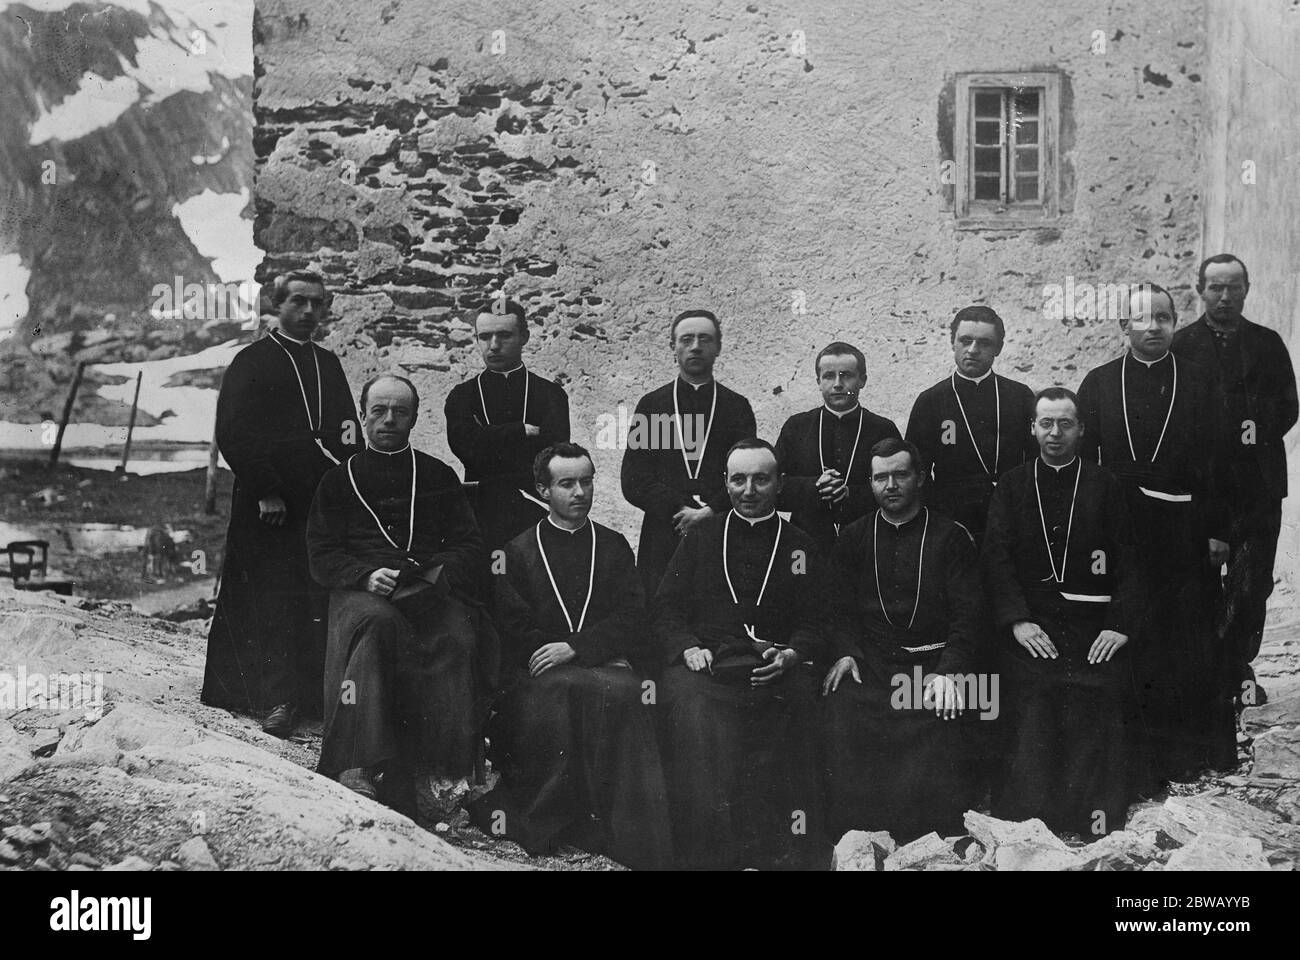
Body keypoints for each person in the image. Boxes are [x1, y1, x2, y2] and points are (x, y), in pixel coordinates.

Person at [471, 442, 672, 869]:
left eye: (586, 481)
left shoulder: (614, 545)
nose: (579, 492)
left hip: (594, 664)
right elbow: (515, 627)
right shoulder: (514, 552)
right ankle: (560, 819)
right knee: (569, 687)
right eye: (567, 484)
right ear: (543, 490)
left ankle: (629, 836)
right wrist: (572, 655)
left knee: (632, 691)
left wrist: (578, 648)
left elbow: (634, 615)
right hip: (540, 674)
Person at [307, 375, 488, 818]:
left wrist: (433, 576)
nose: (389, 420)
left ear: (413, 418)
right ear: (363, 415)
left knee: (456, 636)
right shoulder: (337, 479)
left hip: (425, 589)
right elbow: (321, 552)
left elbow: (469, 545)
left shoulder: (437, 476)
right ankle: (357, 762)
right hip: (359, 593)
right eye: (379, 411)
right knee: (378, 623)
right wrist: (365, 575)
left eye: (400, 412)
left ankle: (441, 771)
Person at [1077, 283, 1235, 786]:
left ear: (1174, 323)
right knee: (1130, 630)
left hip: (1184, 526)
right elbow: (1085, 464)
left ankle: (1187, 755)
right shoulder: (1099, 383)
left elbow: (1219, 463)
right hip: (1121, 528)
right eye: (1142, 320)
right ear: (1124, 326)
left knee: (1184, 635)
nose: (1154, 328)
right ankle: (1135, 757)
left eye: (1164, 318)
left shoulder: (1201, 380)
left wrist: (1217, 531)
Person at [654, 438, 828, 869]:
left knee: (800, 705)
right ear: (725, 483)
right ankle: (708, 854)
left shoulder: (799, 546)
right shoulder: (700, 539)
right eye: (738, 480)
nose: (748, 491)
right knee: (692, 710)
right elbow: (666, 610)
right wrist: (686, 647)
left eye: (760, 480)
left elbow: (817, 618)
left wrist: (793, 653)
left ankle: (786, 850)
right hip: (708, 666)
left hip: (774, 666)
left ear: (780, 484)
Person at [202, 270, 360, 737]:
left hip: (315, 494)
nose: (309, 312)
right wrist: (267, 488)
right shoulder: (251, 361)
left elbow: (346, 427)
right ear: (277, 305)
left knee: (309, 593)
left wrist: (351, 472)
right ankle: (271, 696)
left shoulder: (327, 364)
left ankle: (308, 695)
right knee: (269, 594)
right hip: (266, 502)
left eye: (317, 304)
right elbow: (234, 432)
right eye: (299, 302)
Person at [981, 388, 1144, 835]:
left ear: (1081, 430)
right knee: (1034, 695)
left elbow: (1130, 561)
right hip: (1032, 625)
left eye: (1065, 424)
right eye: (1046, 424)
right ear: (1032, 428)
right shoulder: (1012, 485)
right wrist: (1017, 620)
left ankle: (1090, 819)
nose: (1055, 433)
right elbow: (996, 558)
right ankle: (1034, 820)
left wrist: (1118, 625)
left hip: (1092, 626)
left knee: (1096, 692)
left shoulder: (1105, 484)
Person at [822, 438, 985, 841]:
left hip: (933, 664)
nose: (890, 485)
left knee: (942, 714)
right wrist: (845, 653)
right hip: (873, 663)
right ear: (871, 483)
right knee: (841, 706)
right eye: (880, 477)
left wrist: (949, 672)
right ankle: (858, 836)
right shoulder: (854, 537)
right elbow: (836, 610)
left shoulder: (951, 537)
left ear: (921, 477)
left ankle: (928, 839)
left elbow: (969, 616)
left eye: (900, 474)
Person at [1172, 255, 1298, 707]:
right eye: (1215, 288)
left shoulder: (1267, 344)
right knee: (1202, 579)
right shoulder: (1182, 345)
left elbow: (1288, 407)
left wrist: (1248, 433)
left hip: (1258, 485)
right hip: (1201, 485)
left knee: (1251, 583)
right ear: (1199, 290)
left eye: (1234, 288)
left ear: (1247, 289)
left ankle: (1238, 669)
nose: (1225, 297)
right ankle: (1206, 670)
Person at [621, 309, 756, 598]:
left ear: (718, 347)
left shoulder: (736, 407)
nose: (695, 346)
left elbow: (748, 473)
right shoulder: (653, 405)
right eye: (687, 339)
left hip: (720, 528)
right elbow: (634, 479)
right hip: (664, 531)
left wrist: (709, 511)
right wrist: (681, 509)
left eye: (705, 339)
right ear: (673, 347)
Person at [444, 297, 570, 555]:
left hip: (532, 510)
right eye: (485, 337)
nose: (494, 346)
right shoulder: (462, 396)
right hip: (478, 512)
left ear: (524, 336)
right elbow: (465, 448)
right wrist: (520, 431)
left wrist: (486, 438)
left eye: (504, 336)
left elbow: (552, 455)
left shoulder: (550, 395)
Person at [906, 305, 1038, 546]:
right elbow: (917, 472)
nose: (973, 350)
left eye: (984, 343)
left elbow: (1035, 460)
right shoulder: (931, 401)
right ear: (952, 342)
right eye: (965, 341)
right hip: (952, 522)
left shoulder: (1019, 396)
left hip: (1013, 515)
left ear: (998, 348)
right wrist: (940, 521)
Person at [774, 341, 900, 552]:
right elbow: (772, 488)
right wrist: (814, 487)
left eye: (847, 375)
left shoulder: (882, 428)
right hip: (806, 543)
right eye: (829, 376)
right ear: (818, 382)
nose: (838, 384)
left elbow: (902, 489)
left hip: (870, 542)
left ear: (863, 380)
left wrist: (851, 494)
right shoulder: (796, 427)